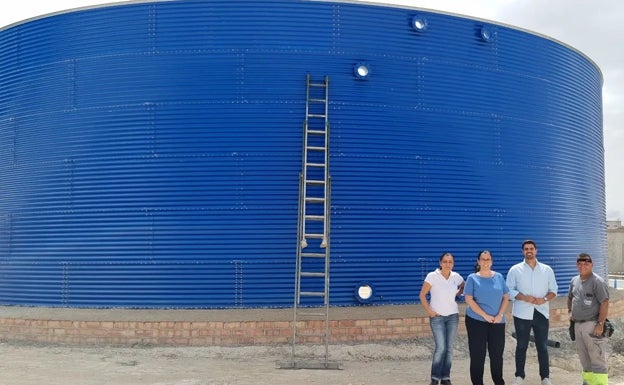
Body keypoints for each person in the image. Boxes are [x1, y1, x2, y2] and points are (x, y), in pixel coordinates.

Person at [506, 240, 558, 385]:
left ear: (536, 251)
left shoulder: (547, 269)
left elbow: (554, 290)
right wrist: (523, 297)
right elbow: (508, 290)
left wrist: (545, 299)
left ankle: (545, 377)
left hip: (541, 313)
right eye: (526, 249)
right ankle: (519, 376)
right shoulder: (515, 270)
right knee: (521, 346)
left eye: (531, 248)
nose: (529, 251)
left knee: (542, 346)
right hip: (522, 313)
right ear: (523, 251)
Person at [464, 250, 509, 385]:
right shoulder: (472, 278)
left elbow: (506, 297)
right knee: (478, 355)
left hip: (497, 321)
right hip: (476, 321)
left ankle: (499, 382)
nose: (485, 262)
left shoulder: (499, 277)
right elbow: (469, 299)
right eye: (483, 259)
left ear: (492, 261)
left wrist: (499, 314)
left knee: (496, 355)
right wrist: (485, 315)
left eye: (488, 259)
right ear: (478, 262)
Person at [419, 252, 465, 385]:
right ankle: (435, 378)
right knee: (441, 347)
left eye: (450, 262)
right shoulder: (432, 276)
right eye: (445, 261)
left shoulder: (456, 277)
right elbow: (422, 295)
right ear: (440, 263)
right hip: (437, 317)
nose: (447, 264)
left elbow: (464, 285)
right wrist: (430, 311)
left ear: (453, 263)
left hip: (452, 316)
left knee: (449, 348)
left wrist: (458, 293)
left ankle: (445, 378)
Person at [568, 253, 609, 385]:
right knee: (584, 358)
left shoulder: (597, 281)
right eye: (580, 264)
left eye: (586, 264)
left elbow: (605, 302)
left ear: (592, 265)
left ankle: (600, 383)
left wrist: (600, 324)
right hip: (577, 325)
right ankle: (588, 382)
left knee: (597, 358)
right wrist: (570, 312)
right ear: (577, 265)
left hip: (592, 325)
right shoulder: (574, 280)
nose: (582, 266)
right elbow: (570, 298)